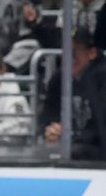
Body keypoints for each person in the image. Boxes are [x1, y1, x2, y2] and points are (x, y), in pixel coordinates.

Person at [42, 30, 106, 158]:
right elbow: (48, 114)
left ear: (91, 53)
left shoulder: (102, 77)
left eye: (73, 53)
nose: (67, 59)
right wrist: (52, 128)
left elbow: (101, 126)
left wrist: (72, 134)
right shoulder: (58, 78)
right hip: (69, 148)